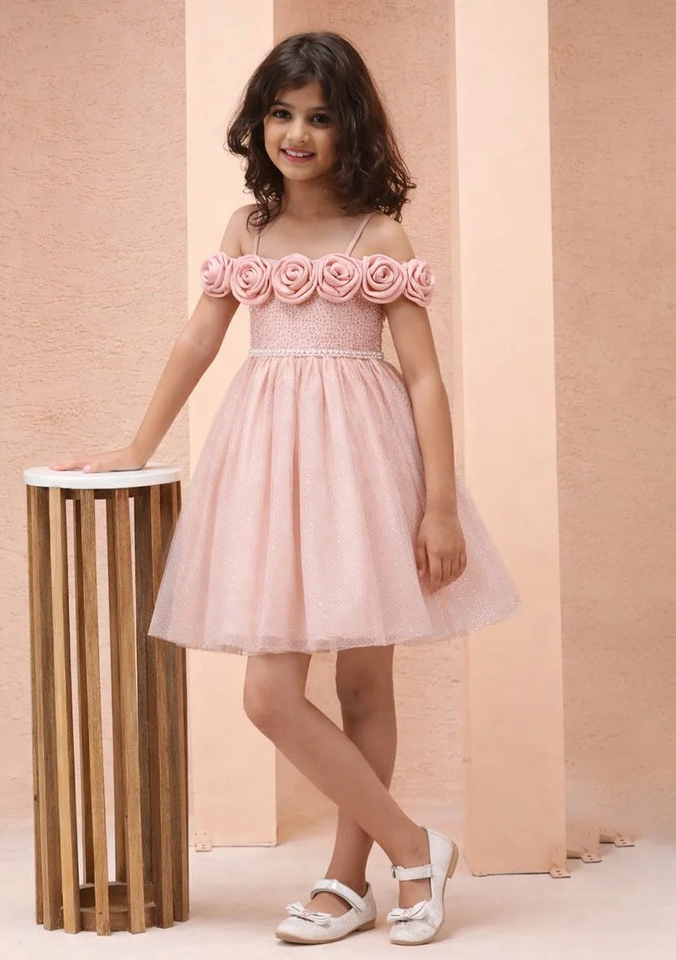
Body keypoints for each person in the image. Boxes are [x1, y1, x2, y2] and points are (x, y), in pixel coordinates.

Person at [51, 30, 520, 947]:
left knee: (364, 686)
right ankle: (414, 845)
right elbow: (199, 340)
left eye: (317, 116)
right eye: (280, 113)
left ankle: (349, 881)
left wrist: (436, 504)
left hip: (364, 468)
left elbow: (422, 376)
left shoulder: (376, 234)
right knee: (270, 693)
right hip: (270, 469)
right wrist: (134, 442)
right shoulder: (249, 230)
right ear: (258, 122)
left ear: (352, 129)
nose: (296, 133)